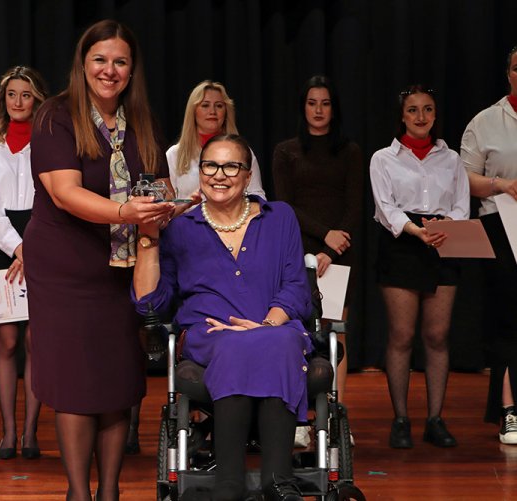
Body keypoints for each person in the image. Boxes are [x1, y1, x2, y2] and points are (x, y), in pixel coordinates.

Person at [25, 19, 174, 501]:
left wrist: (164, 207)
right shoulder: (54, 116)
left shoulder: (143, 121)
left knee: (116, 383)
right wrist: (128, 212)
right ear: (83, 64)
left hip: (121, 273)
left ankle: (109, 491)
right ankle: (78, 492)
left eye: (120, 61)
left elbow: (158, 185)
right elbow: (65, 194)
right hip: (64, 271)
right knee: (73, 383)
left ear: (132, 70)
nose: (110, 70)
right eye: (100, 60)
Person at [133, 134, 312, 501]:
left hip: (273, 328)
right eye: (211, 165)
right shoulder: (181, 228)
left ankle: (278, 480)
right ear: (199, 173)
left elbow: (296, 286)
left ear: (247, 176)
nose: (220, 174)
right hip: (208, 336)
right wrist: (148, 237)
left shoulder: (280, 218)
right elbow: (150, 302)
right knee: (233, 343)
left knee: (277, 340)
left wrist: (265, 325)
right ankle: (230, 481)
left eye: (231, 166)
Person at [370, 85, 469, 449]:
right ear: (402, 116)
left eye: (428, 110)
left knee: (438, 336)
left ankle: (435, 418)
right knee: (402, 336)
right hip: (402, 245)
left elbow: (461, 206)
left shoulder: (452, 158)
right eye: (413, 110)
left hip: (443, 242)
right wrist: (416, 229)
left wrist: (445, 228)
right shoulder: (384, 158)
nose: (421, 117)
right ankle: (400, 418)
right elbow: (385, 208)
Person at [272, 75, 363, 447]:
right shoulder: (286, 151)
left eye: (325, 103)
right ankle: (302, 419)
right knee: (298, 333)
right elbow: (285, 205)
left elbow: (355, 205)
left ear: (333, 108)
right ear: (303, 107)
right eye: (312, 103)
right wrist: (321, 239)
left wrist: (332, 246)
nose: (319, 110)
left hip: (339, 252)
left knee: (336, 333)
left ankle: (337, 417)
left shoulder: (350, 151)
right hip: (297, 251)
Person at [0, 66, 48, 459]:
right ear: (3, 100)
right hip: (2, 246)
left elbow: (55, 196)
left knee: (36, 341)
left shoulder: (51, 141)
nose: (18, 102)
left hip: (45, 239)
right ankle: (7, 432)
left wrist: (34, 246)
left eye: (26, 95)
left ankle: (31, 432)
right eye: (12, 95)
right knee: (6, 341)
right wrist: (18, 247)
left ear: (37, 99)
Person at [460, 45, 517, 445]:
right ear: (508, 73)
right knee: (510, 319)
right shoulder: (485, 122)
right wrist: (503, 185)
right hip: (502, 225)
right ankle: (510, 409)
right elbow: (464, 179)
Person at [167, 80, 265, 201]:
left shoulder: (244, 152)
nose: (212, 111)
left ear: (226, 112)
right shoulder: (174, 154)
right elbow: (168, 204)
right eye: (205, 105)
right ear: (193, 111)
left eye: (219, 106)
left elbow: (258, 196)